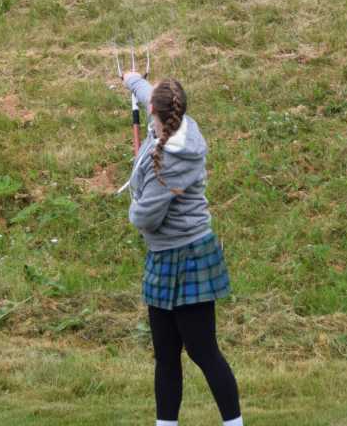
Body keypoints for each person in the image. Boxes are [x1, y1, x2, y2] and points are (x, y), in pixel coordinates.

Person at [121, 69, 243, 426]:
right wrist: (132, 80)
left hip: (189, 255)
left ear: (158, 118)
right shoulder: (174, 119)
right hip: (162, 257)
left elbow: (145, 218)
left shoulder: (174, 158)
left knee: (203, 352)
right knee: (165, 354)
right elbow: (151, 94)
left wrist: (133, 203)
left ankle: (235, 424)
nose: (149, 114)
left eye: (151, 113)